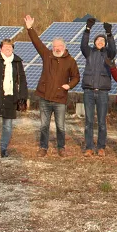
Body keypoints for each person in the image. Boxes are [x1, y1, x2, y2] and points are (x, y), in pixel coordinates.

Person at [24, 15, 80, 157]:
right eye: (54, 46)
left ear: (64, 48)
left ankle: (61, 148)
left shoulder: (70, 61)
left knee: (60, 126)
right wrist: (30, 28)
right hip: (44, 97)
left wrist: (69, 85)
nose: (56, 49)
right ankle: (43, 147)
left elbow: (76, 77)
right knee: (44, 125)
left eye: (59, 47)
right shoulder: (47, 55)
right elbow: (37, 43)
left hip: (60, 98)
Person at [80, 18, 117, 157]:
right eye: (98, 40)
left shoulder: (108, 54)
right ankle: (89, 147)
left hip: (102, 92)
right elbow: (83, 44)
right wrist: (87, 29)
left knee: (102, 122)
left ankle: (101, 147)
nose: (100, 42)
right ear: (94, 42)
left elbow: (113, 48)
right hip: (88, 91)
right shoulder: (89, 52)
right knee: (89, 121)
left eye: (102, 41)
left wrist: (109, 33)